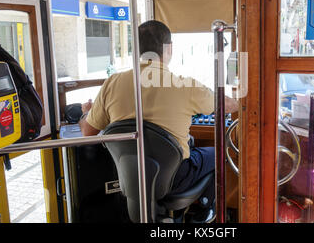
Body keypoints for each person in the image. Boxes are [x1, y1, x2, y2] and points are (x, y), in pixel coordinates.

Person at [79, 20, 239, 223]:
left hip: (130, 178)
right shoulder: (185, 86)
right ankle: (206, 211)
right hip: (176, 180)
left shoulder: (113, 83)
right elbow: (228, 105)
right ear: (169, 48)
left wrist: (86, 112)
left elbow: (87, 132)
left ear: (135, 48)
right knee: (217, 153)